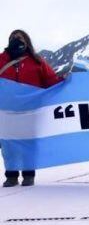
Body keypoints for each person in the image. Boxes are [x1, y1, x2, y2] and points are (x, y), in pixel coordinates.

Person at [1, 30, 63, 187]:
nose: (16, 40)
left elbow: (51, 81)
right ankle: (11, 175)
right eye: (12, 38)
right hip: (7, 112)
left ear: (27, 41)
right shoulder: (1, 60)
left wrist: (63, 81)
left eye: (19, 37)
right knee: (10, 144)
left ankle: (29, 174)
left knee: (29, 143)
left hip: (31, 110)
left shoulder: (37, 61)